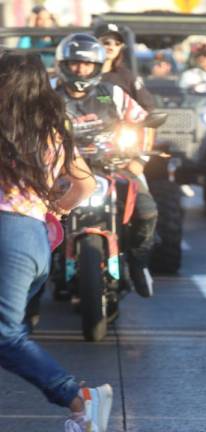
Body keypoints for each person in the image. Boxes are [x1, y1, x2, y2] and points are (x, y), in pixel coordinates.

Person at [0, 51, 112, 432]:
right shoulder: (50, 129)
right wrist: (58, 208)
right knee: (11, 335)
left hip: (7, 235)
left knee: (5, 335)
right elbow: (86, 183)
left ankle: (78, 399)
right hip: (34, 237)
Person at [54, 33, 156, 298]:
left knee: (146, 209)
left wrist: (138, 158)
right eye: (75, 63)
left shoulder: (112, 93)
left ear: (97, 66)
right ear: (63, 64)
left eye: (87, 64)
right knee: (36, 217)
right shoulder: (48, 93)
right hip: (60, 169)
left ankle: (137, 263)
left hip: (113, 165)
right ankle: (35, 281)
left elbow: (141, 121)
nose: (81, 69)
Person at [95, 23, 156, 111]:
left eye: (117, 44)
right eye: (106, 43)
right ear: (93, 43)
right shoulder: (81, 73)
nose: (112, 47)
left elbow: (147, 107)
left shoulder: (127, 77)